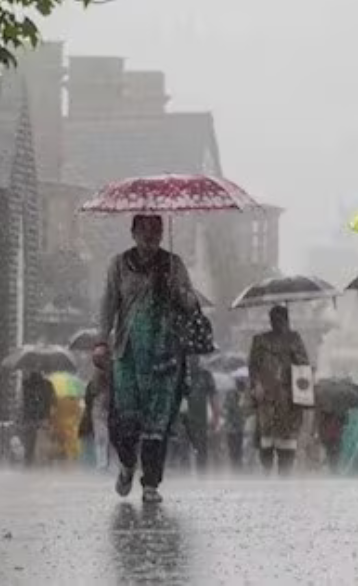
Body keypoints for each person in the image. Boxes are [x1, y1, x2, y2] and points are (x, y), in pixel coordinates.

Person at [100, 214, 201, 503]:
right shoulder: (119, 265)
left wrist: (176, 289)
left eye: (156, 231)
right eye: (144, 231)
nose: (150, 237)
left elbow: (192, 303)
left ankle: (151, 483)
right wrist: (101, 340)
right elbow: (109, 304)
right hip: (128, 353)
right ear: (133, 232)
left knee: (158, 422)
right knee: (126, 421)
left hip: (164, 354)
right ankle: (127, 464)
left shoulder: (173, 264)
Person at [248, 305, 310, 475]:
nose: (277, 323)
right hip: (266, 397)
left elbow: (303, 367)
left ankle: (285, 475)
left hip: (288, 398)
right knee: (266, 438)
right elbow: (253, 367)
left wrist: (302, 394)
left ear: (286, 320)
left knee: (287, 440)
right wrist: (256, 385)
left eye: (280, 319)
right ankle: (266, 469)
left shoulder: (294, 339)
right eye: (274, 319)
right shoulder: (260, 340)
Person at [183, 357, 219, 474]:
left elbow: (213, 397)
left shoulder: (205, 375)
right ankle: (183, 476)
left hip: (200, 420)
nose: (192, 360)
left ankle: (201, 476)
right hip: (183, 419)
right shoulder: (181, 374)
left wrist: (215, 416)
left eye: (195, 357)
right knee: (182, 451)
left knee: (201, 451)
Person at [82, 343, 113, 470]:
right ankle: (102, 462)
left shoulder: (111, 372)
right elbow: (90, 394)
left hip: (108, 408)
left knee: (107, 436)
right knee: (101, 436)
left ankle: (105, 461)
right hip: (99, 408)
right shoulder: (96, 375)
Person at [19, 371, 54, 467]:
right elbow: (52, 401)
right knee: (43, 447)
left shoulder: (25, 384)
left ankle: (28, 466)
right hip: (43, 418)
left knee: (29, 446)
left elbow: (22, 402)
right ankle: (43, 466)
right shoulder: (48, 385)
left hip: (29, 418)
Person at [223, 372, 248, 471]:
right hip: (231, 428)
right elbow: (226, 407)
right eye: (239, 383)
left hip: (241, 427)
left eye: (242, 383)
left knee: (239, 451)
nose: (241, 385)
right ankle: (235, 469)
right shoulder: (230, 394)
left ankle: (239, 470)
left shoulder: (247, 395)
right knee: (233, 451)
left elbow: (246, 410)